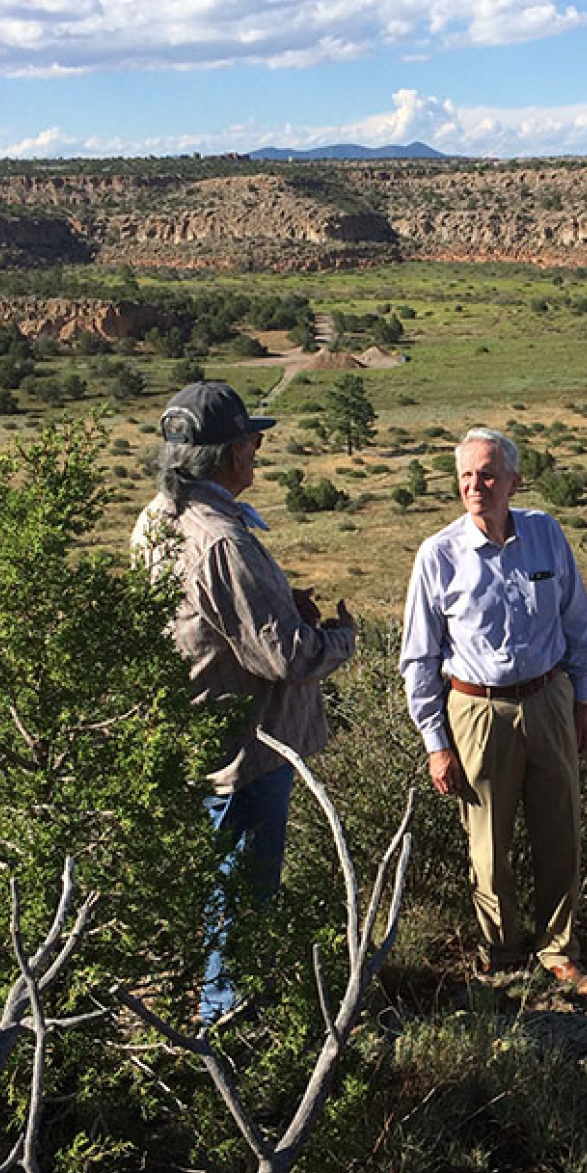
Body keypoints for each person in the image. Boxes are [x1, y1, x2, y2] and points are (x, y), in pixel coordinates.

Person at [133, 381, 357, 1024]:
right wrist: (339, 637)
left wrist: (278, 607)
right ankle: (235, 1042)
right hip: (247, 751)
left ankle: (220, 1025)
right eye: (252, 441)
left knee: (216, 904)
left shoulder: (160, 520)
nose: (257, 452)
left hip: (194, 740)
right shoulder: (221, 539)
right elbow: (284, 656)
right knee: (240, 910)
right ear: (230, 455)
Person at [400, 428, 587, 992]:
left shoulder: (545, 534)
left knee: (561, 834)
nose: (474, 486)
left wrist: (581, 700)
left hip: (549, 698)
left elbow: (576, 623)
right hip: (476, 710)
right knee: (488, 847)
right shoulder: (439, 554)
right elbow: (419, 657)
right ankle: (501, 952)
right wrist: (436, 743)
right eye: (465, 475)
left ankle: (560, 951)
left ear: (514, 480)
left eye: (487, 474)